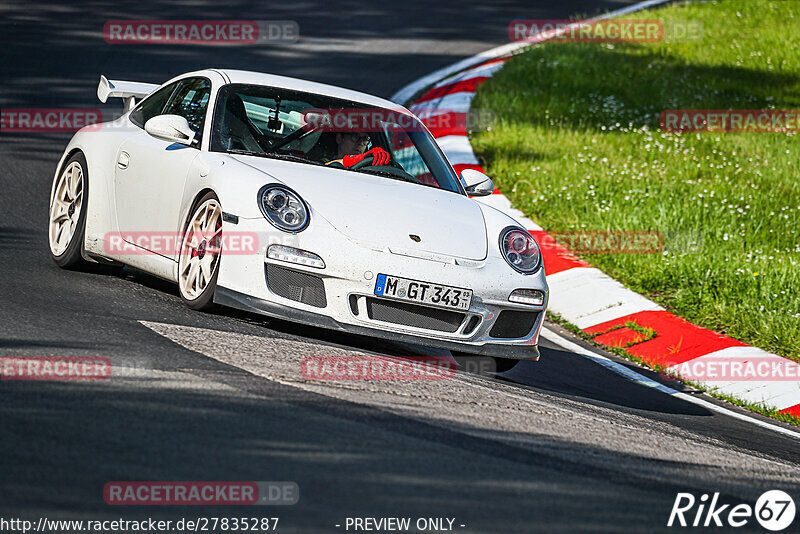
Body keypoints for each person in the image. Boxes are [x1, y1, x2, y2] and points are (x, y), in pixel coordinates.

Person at [326, 132, 391, 167]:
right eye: (355, 137)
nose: (361, 143)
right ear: (339, 138)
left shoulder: (370, 169)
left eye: (365, 139)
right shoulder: (321, 161)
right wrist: (348, 161)